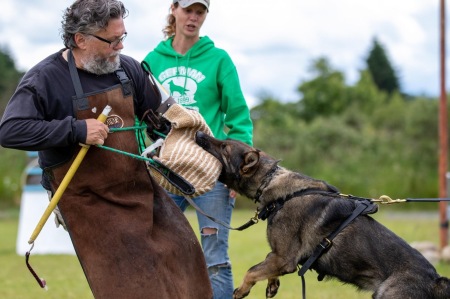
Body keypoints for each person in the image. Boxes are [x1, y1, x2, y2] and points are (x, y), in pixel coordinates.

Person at [0, 1, 213, 298]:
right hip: (87, 201)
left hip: (140, 190)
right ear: (80, 39)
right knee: (136, 286)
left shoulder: (127, 69)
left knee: (186, 260)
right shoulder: (45, 79)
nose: (120, 46)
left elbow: (162, 117)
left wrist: (191, 138)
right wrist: (76, 130)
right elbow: (10, 131)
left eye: (123, 37)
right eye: (113, 40)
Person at [142, 1, 254, 298]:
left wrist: (237, 171)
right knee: (158, 252)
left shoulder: (219, 60)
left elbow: (239, 117)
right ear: (174, 10)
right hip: (167, 171)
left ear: (205, 15)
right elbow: (141, 116)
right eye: (188, 10)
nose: (193, 17)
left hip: (212, 174)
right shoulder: (152, 60)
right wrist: (148, 156)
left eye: (200, 11)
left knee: (215, 259)